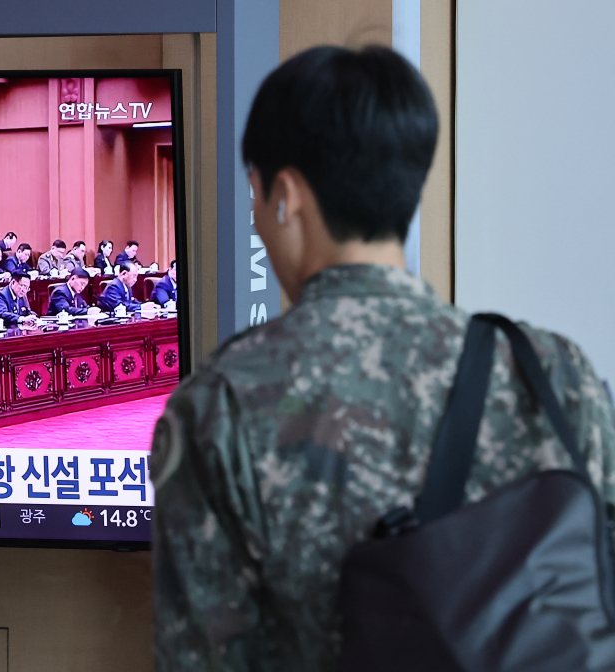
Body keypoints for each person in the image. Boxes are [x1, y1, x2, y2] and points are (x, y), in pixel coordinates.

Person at [153, 46, 615, 671]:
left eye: (256, 192)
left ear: (286, 195)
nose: (258, 215)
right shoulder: (556, 373)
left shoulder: (222, 404)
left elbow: (202, 658)